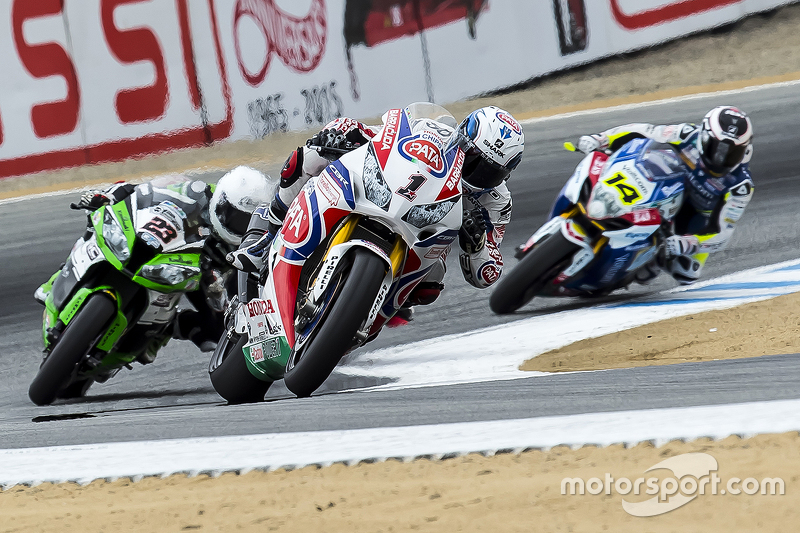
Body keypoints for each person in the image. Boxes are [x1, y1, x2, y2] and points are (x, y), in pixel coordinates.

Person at [227, 104, 524, 323]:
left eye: (489, 171)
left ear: (504, 174)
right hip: (389, 194)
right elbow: (388, 137)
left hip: (428, 234)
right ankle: (265, 236)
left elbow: (488, 273)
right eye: (473, 159)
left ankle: (369, 306)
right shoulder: (434, 131)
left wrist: (477, 245)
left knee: (431, 286)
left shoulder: (496, 202)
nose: (477, 173)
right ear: (462, 140)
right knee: (313, 153)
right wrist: (350, 134)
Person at [61, 167, 273, 352]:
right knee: (98, 223)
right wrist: (108, 195)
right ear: (222, 202)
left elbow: (248, 289)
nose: (239, 225)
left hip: (202, 278)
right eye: (236, 216)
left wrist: (224, 297)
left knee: (218, 331)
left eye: (247, 221)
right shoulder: (198, 192)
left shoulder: (251, 244)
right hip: (165, 251)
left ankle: (171, 326)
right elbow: (142, 191)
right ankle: (69, 272)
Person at [575, 105, 754, 285]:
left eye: (732, 153)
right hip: (667, 185)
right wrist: (601, 139)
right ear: (704, 136)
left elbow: (722, 234)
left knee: (686, 273)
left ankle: (647, 261)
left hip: (698, 215)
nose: (720, 158)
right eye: (715, 147)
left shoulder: (740, 186)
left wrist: (689, 242)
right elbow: (643, 131)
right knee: (610, 161)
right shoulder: (687, 134)